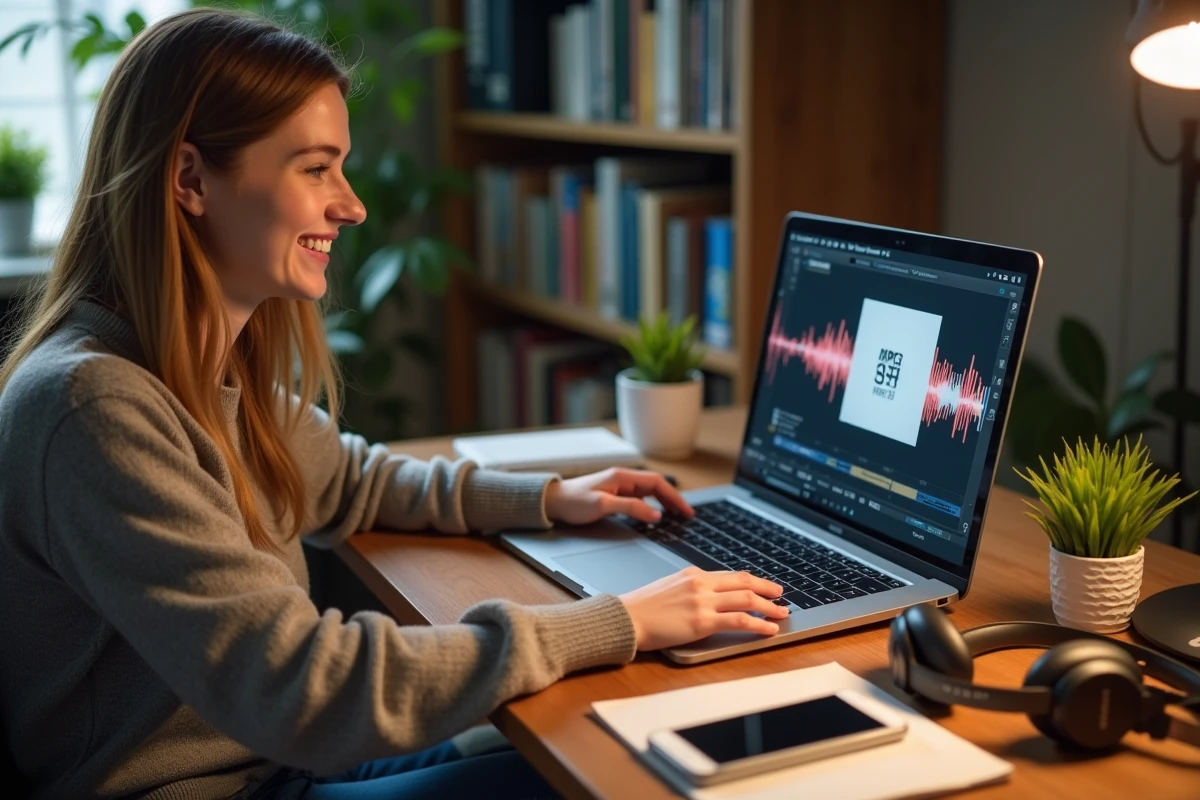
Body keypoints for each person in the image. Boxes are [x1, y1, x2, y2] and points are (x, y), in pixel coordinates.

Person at [0, 8, 789, 800]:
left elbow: (352, 481)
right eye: (315, 169)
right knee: (620, 777)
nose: (351, 205)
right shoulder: (95, 406)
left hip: (278, 765)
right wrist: (621, 622)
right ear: (191, 180)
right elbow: (307, 689)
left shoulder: (196, 366)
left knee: (607, 742)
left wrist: (549, 499)